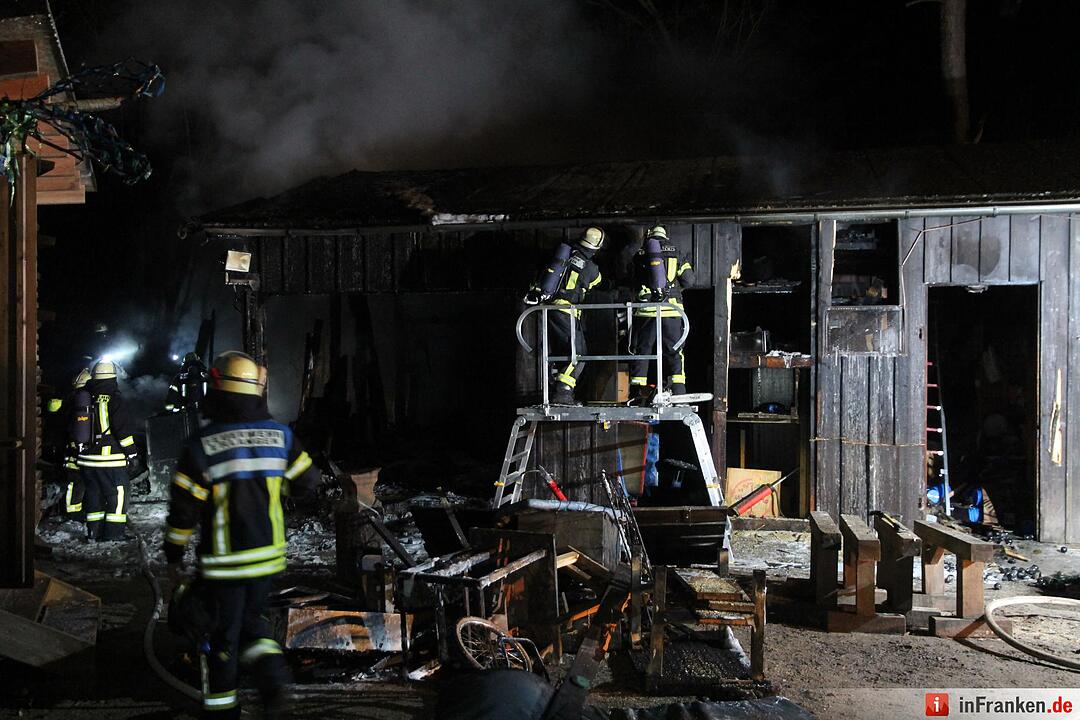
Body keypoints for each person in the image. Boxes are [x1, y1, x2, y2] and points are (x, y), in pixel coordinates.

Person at [163, 351, 322, 718]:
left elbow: (183, 511)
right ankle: (272, 679)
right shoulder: (280, 435)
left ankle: (223, 710)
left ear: (216, 388)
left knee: (223, 639)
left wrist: (173, 551)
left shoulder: (203, 445)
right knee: (253, 624)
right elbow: (308, 482)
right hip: (268, 559)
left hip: (225, 565)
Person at [524, 227, 605, 404]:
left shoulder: (562, 254)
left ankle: (556, 385)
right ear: (597, 246)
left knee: (562, 351)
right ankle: (563, 392)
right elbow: (597, 281)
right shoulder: (590, 267)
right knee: (579, 354)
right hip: (567, 312)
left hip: (549, 309)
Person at [69, 360, 138, 540]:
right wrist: (132, 454)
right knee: (119, 494)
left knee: (94, 495)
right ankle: (114, 535)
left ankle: (95, 532)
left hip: (86, 461)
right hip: (110, 460)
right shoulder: (114, 398)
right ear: (113, 377)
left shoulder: (86, 396)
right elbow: (122, 430)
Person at [629, 225, 695, 397]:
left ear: (649, 236)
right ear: (665, 235)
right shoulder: (677, 253)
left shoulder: (640, 255)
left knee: (642, 353)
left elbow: (630, 279)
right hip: (672, 311)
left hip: (645, 312)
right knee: (674, 352)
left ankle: (636, 394)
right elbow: (689, 280)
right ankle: (678, 391)